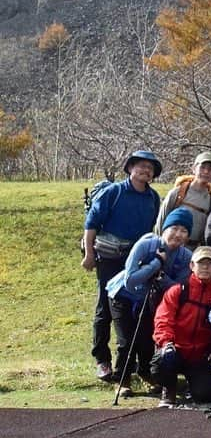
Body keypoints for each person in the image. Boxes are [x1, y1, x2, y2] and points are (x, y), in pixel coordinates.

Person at [81, 150, 162, 383]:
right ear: (129, 168)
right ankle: (102, 360)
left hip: (135, 260)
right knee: (104, 308)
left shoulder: (153, 197)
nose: (145, 170)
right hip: (108, 256)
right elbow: (92, 223)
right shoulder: (113, 192)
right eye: (140, 166)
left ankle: (131, 362)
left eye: (150, 168)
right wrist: (89, 253)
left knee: (134, 309)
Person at [105, 207, 193, 397]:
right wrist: (156, 264)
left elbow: (178, 288)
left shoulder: (186, 257)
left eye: (184, 231)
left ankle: (145, 373)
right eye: (174, 228)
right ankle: (122, 379)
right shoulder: (146, 244)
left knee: (147, 340)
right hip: (122, 295)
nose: (178, 234)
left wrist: (163, 280)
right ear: (164, 228)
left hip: (150, 299)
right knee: (126, 340)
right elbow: (130, 280)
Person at [150, 245, 211, 407]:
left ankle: (193, 385)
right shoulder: (177, 291)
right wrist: (166, 343)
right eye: (201, 263)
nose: (205, 267)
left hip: (199, 356)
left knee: (206, 396)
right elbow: (163, 320)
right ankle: (169, 388)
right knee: (161, 363)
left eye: (210, 264)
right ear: (191, 266)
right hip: (174, 350)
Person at [155, 152, 211, 248]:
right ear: (194, 168)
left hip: (195, 252)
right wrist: (160, 248)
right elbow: (161, 222)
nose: (206, 172)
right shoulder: (177, 193)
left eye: (210, 169)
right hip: (170, 247)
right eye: (202, 167)